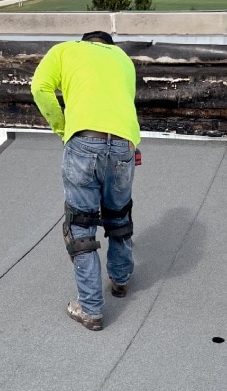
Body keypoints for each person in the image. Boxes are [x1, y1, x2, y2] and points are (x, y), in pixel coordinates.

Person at [31, 31, 141, 331]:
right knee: (119, 216)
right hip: (124, 144)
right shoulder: (123, 59)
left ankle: (90, 309)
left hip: (84, 141)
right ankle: (120, 281)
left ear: (86, 41)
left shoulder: (65, 49)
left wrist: (63, 129)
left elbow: (40, 88)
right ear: (108, 45)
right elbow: (122, 104)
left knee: (80, 225)